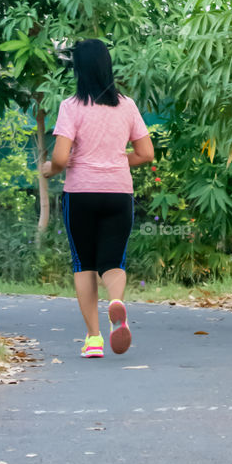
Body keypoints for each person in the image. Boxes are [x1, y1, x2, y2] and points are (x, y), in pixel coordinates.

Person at [42, 39, 155, 358]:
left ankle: (93, 339)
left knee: (84, 264)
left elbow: (62, 158)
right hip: (119, 193)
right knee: (112, 261)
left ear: (78, 70)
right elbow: (146, 153)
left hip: (81, 194)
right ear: (107, 66)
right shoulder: (127, 105)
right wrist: (117, 160)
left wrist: (51, 169)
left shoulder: (71, 106)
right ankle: (116, 304)